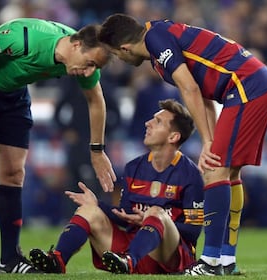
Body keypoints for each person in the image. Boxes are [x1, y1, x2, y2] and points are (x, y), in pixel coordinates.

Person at [98, 13, 267, 276]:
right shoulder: (158, 36)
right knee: (229, 172)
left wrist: (207, 141)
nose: (120, 60)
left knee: (213, 171)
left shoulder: (155, 41)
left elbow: (190, 89)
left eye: (116, 55)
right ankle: (226, 260)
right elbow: (203, 94)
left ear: (123, 48)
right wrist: (213, 138)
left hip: (245, 87)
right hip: (255, 85)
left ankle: (210, 262)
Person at [0, 18, 117, 273]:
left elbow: (96, 100)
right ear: (77, 44)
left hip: (14, 94)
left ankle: (9, 260)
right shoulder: (26, 37)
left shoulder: (82, 57)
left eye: (96, 67)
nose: (90, 72)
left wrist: (97, 151)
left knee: (14, 174)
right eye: (90, 64)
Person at [29, 99, 204, 275]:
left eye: (157, 122)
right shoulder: (134, 168)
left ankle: (129, 260)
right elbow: (124, 215)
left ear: (173, 137)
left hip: (169, 259)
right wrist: (98, 204)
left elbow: (193, 231)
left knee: (156, 212)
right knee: (89, 209)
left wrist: (154, 220)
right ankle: (57, 260)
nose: (148, 123)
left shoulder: (191, 175)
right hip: (134, 250)